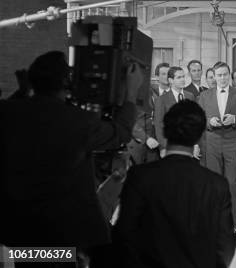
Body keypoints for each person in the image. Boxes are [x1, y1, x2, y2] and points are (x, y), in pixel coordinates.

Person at [0, 51, 142, 264]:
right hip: (61, 229)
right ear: (67, 82)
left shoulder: (8, 112)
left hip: (17, 227)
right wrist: (131, 94)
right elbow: (120, 132)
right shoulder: (77, 121)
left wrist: (22, 92)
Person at [114, 100, 236, 268]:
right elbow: (225, 247)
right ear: (200, 136)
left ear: (164, 131)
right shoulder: (217, 184)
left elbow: (124, 235)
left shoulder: (140, 177)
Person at [198, 61, 236, 232]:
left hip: (232, 142)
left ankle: (235, 223)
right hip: (211, 142)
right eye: (218, 75)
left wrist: (234, 119)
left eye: (225, 74)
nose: (222, 78)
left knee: (233, 183)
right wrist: (209, 121)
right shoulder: (204, 96)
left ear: (229, 75)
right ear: (214, 77)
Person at [153, 66, 195, 157]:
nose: (183, 79)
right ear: (171, 80)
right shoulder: (162, 99)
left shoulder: (190, 96)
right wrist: (164, 147)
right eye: (179, 77)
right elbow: (159, 125)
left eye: (183, 76)